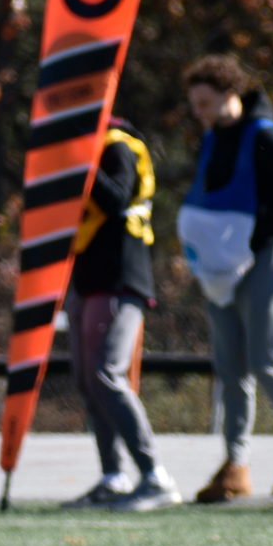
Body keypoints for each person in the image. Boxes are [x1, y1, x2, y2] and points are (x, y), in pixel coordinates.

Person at [176, 54, 273, 503]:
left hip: (266, 257)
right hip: (222, 269)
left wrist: (249, 229)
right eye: (194, 105)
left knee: (265, 361)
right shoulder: (212, 139)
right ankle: (236, 465)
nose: (199, 113)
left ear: (231, 95)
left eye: (205, 103)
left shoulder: (264, 137)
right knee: (230, 369)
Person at [62, 118, 181, 511]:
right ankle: (113, 476)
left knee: (106, 373)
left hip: (118, 280)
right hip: (87, 280)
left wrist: (83, 163)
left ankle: (155, 476)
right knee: (87, 379)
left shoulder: (117, 145)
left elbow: (115, 199)